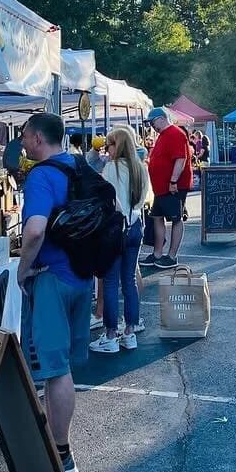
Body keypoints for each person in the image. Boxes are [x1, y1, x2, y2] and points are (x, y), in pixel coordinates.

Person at [17, 112, 91, 472]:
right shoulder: (79, 166)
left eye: (25, 136)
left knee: (55, 371)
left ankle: (61, 454)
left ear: (37, 138)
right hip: (81, 276)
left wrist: (22, 269)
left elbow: (33, 231)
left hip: (52, 280)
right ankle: (58, 443)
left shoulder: (41, 175)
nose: (23, 142)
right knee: (65, 369)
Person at [90, 125, 150, 354]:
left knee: (111, 282)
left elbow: (106, 200)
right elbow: (143, 198)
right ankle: (130, 332)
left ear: (119, 145)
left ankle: (111, 334)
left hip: (115, 229)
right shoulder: (140, 168)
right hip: (135, 227)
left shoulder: (111, 169)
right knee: (129, 282)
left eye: (110, 144)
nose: (107, 148)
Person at [141, 108, 190, 271]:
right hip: (161, 188)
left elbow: (180, 159)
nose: (152, 126)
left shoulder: (175, 133)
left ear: (161, 118)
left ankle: (172, 256)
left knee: (176, 219)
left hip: (173, 187)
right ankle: (157, 254)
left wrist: (173, 180)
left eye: (153, 122)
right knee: (157, 217)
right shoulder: (163, 136)